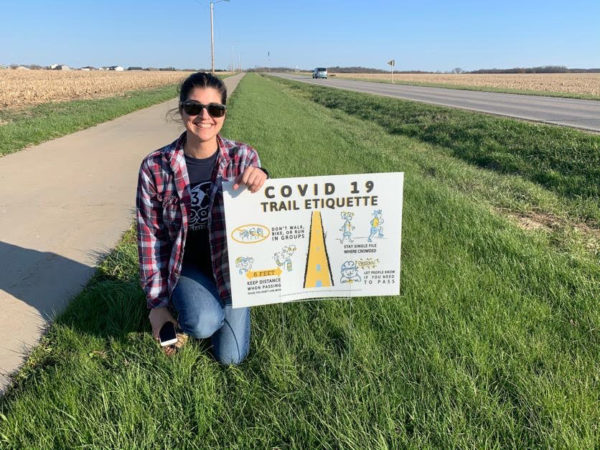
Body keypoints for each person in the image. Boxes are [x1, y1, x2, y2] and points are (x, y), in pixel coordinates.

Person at [136, 72, 267, 364]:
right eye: (194, 107)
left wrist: (263, 176)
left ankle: (226, 301)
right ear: (182, 110)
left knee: (230, 358)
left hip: (232, 268)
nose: (204, 116)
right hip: (184, 265)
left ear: (223, 113)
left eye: (215, 109)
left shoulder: (243, 157)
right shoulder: (155, 166)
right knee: (204, 322)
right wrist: (155, 305)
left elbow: (265, 209)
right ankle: (181, 308)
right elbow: (150, 239)